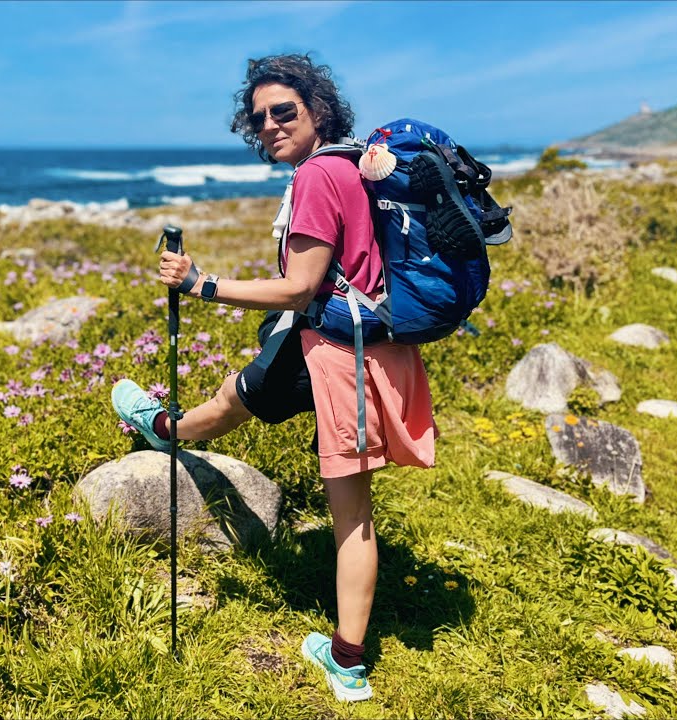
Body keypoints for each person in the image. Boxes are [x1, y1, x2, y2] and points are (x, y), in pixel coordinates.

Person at [110, 54, 437, 703]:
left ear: (318, 110)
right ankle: (166, 426)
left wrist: (201, 283)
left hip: (340, 359)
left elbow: (299, 287)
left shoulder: (317, 174)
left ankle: (347, 665)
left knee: (350, 516)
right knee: (244, 393)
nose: (269, 125)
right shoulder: (355, 164)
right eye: (258, 118)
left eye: (283, 111)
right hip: (380, 349)